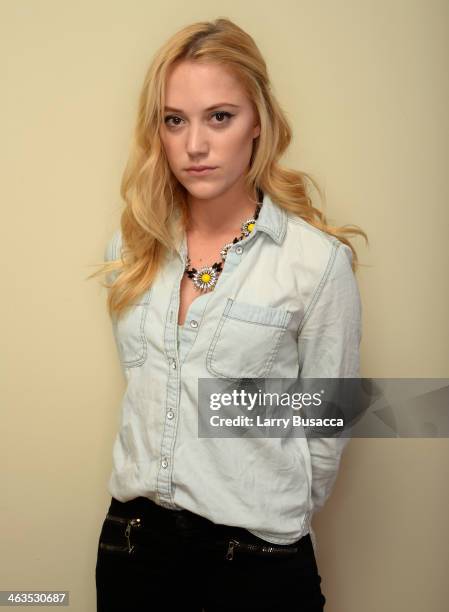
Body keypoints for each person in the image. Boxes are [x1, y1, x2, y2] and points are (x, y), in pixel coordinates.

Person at [92, 17, 367, 612]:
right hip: (133, 549)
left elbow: (327, 424)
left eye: (220, 116)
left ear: (258, 124)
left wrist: (261, 503)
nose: (195, 144)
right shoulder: (131, 245)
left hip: (255, 562)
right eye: (175, 120)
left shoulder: (315, 264)